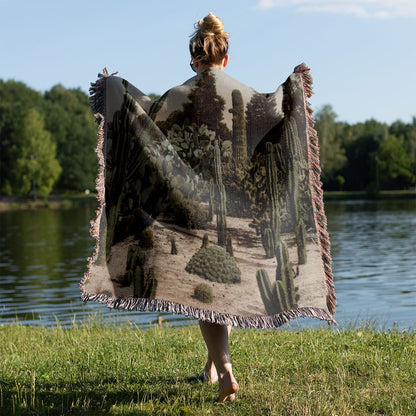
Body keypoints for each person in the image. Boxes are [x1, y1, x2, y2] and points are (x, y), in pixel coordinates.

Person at [189, 13, 239, 403]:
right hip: (237, 208)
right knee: (221, 286)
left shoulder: (182, 94)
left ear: (195, 60)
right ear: (225, 59)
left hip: (195, 206)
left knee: (205, 293)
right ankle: (210, 366)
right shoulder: (243, 94)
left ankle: (225, 371)